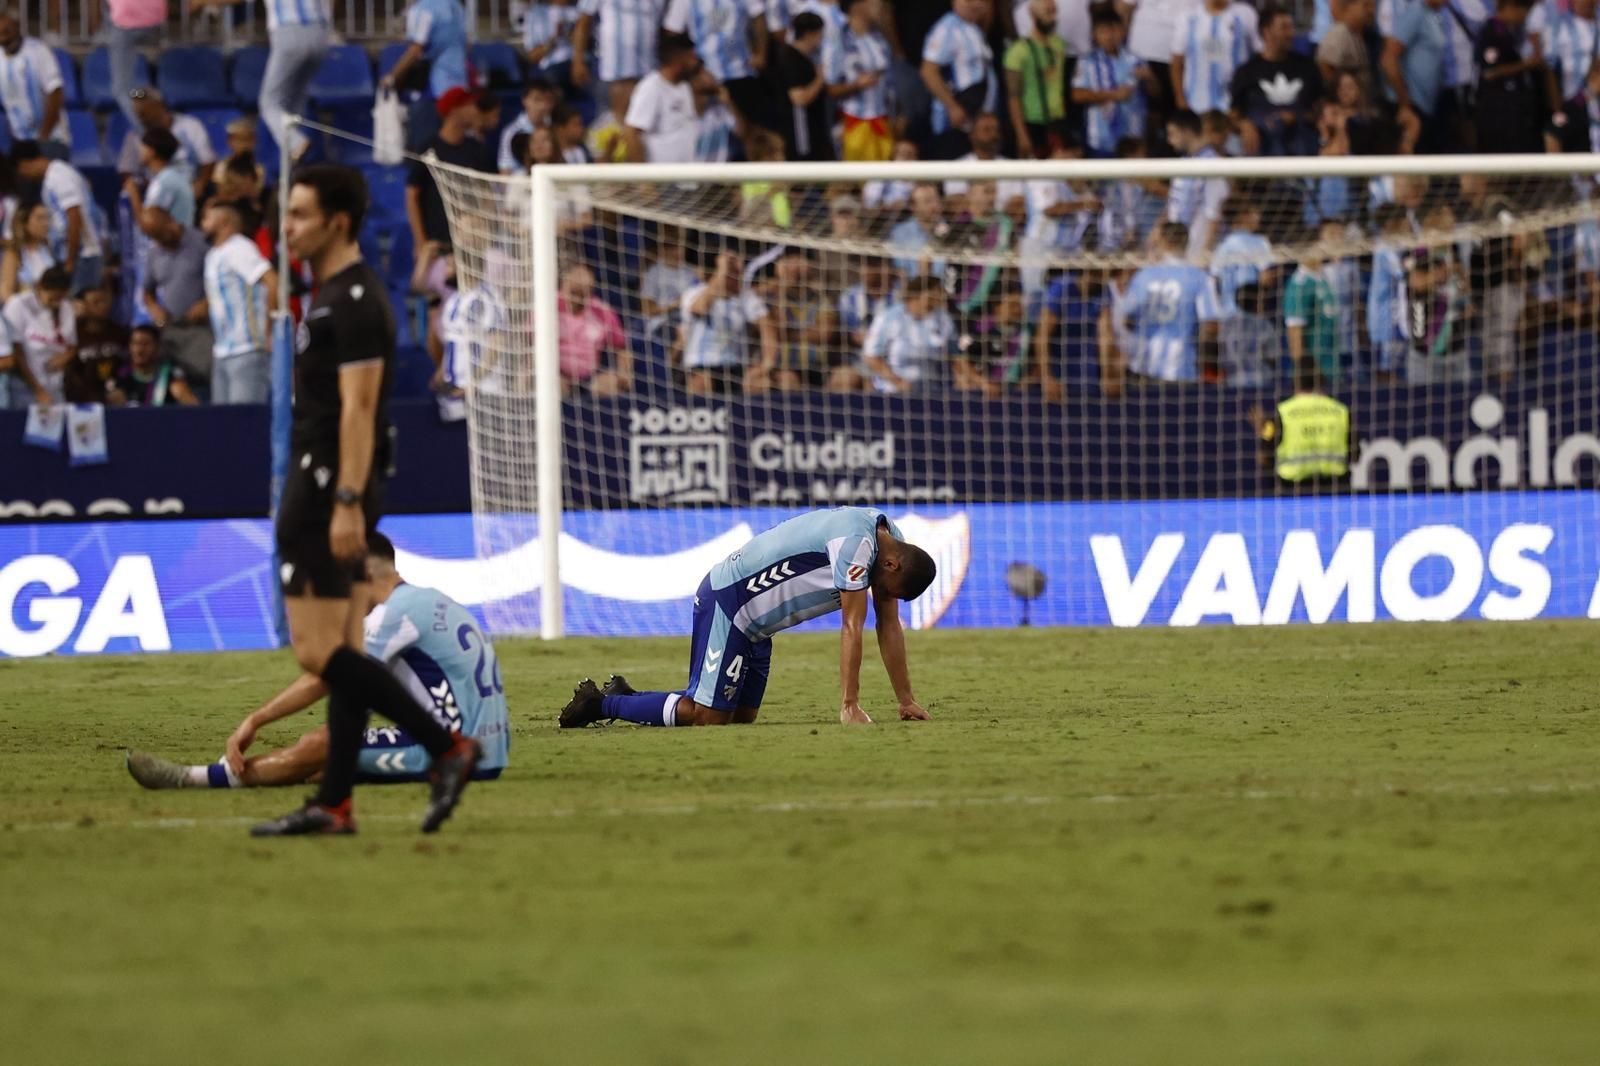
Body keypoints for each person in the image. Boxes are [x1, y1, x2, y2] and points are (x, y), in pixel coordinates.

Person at [253, 164, 482, 837]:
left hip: (327, 489)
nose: (287, 227)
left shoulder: (351, 301)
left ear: (338, 221)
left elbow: (357, 409)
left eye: (298, 214)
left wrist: (348, 500)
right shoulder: (334, 295)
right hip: (331, 483)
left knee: (320, 655)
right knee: (348, 649)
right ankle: (335, 803)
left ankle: (448, 748)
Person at [127, 533, 510, 790]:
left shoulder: (394, 615)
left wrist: (255, 719)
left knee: (322, 743)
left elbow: (326, 677)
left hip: (458, 750)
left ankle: (197, 778)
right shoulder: (432, 600)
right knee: (326, 767)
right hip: (490, 746)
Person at [559, 507, 937, 728]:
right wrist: (849, 704)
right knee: (707, 717)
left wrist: (906, 700)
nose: (883, 597)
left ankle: (626, 694)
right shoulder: (858, 544)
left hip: (758, 627)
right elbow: (852, 626)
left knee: (741, 717)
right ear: (891, 564)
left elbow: (888, 625)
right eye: (887, 589)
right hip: (730, 602)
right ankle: (602, 703)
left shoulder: (891, 541)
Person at [1119, 220, 1222, 382]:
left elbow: (1126, 319)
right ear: (1187, 243)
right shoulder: (1200, 278)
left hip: (1142, 367)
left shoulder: (1143, 276)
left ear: (1162, 241)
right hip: (1180, 368)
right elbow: (1211, 326)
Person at [202, 197, 277, 405]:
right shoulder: (213, 255)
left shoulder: (240, 248)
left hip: (247, 349)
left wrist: (269, 330)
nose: (202, 224)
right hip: (222, 352)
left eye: (207, 218)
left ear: (224, 221)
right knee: (224, 428)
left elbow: (272, 281)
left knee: (244, 426)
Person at [1230, 4, 1323, 156]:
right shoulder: (1246, 72)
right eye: (1284, 28)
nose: (1291, 33)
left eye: (1291, 27)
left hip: (1302, 143)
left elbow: (1320, 110)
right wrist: (1244, 125)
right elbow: (1234, 114)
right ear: (1266, 32)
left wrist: (1295, 117)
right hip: (1262, 145)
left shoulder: (1307, 68)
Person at [663, 0, 770, 131]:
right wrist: (687, 67)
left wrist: (761, 53)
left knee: (751, 132)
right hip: (704, 77)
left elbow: (758, 15)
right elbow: (673, 31)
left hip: (741, 71)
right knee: (710, 131)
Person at [12, 141, 103, 295]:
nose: (26, 177)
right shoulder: (52, 178)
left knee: (78, 311)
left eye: (22, 172)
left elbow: (74, 216)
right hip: (76, 256)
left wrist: (70, 261)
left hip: (82, 256)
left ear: (25, 164)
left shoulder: (59, 176)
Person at [384, 0, 472, 150]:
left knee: (426, 149)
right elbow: (467, 43)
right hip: (459, 83)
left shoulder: (424, 9)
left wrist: (392, 76)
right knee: (453, 145)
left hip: (434, 87)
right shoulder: (456, 6)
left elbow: (416, 49)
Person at [141, 208, 212, 385]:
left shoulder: (201, 243)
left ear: (171, 221)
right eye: (154, 237)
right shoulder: (154, 254)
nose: (160, 241)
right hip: (170, 329)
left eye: (161, 234)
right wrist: (154, 309)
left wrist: (207, 303)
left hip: (199, 329)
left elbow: (222, 281)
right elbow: (147, 292)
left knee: (201, 378)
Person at [1251, 363, 1351, 488]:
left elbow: (1264, 457)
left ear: (1296, 381)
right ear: (1321, 381)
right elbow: (1355, 454)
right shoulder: (1341, 411)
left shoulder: (1283, 412)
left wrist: (1263, 432)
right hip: (1335, 491)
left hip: (1292, 493)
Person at [573, 0, 668, 130]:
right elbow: (583, 22)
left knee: (646, 123)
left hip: (649, 66)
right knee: (612, 123)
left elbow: (667, 26)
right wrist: (578, 60)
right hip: (613, 68)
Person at [1073, 7, 1154, 158]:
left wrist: (1150, 79)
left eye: (1113, 30)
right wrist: (1114, 95)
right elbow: (1077, 94)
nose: (1109, 36)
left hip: (1133, 139)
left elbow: (1155, 94)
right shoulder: (1086, 62)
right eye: (1104, 31)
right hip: (1100, 139)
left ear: (1123, 31)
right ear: (1094, 35)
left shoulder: (1136, 60)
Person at [679, 249, 764, 395]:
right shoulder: (695, 292)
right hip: (700, 365)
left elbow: (767, 328)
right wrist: (722, 270)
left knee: (760, 383)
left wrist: (764, 366)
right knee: (702, 382)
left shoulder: (746, 298)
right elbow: (700, 308)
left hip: (735, 366)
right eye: (731, 272)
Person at [921, 0, 996, 159]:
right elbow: (928, 71)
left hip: (976, 120)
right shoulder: (946, 28)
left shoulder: (974, 28)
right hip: (955, 123)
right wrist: (952, 106)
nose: (974, 4)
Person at [862, 274, 956, 394]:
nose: (937, 299)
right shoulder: (888, 317)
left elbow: (956, 356)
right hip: (892, 390)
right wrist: (898, 382)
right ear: (916, 294)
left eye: (939, 295)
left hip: (932, 389)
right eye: (932, 295)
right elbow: (871, 357)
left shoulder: (943, 319)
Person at [118, 88, 216, 201]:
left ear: (159, 106)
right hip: (155, 194)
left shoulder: (190, 125)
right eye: (138, 113)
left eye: (144, 112)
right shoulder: (135, 135)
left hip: (191, 188)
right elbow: (127, 170)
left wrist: (200, 184)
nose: (141, 117)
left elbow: (208, 160)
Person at [1381, 0, 1450, 153]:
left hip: (1427, 107)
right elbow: (1388, 58)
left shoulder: (1433, 16)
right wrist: (1405, 105)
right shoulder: (1415, 12)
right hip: (1410, 107)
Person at [1006, 0, 1071, 159]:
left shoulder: (1059, 45)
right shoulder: (1018, 51)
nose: (1052, 17)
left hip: (1057, 120)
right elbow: (1013, 96)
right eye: (1047, 12)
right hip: (1032, 121)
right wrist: (1021, 134)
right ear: (1033, 14)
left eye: (1053, 12)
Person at [623, 34, 703, 164]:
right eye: (691, 57)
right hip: (661, 179)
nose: (695, 62)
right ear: (679, 58)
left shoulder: (685, 86)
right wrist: (643, 178)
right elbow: (631, 132)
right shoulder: (651, 87)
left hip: (687, 178)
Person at [1169, 0, 1260, 114]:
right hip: (1196, 103)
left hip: (1236, 105)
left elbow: (1260, 54)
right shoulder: (1187, 16)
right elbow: (1177, 62)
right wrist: (1181, 99)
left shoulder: (1245, 14)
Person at [1476, 0, 1543, 154]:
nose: (1524, 16)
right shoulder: (1492, 31)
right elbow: (1489, 72)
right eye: (1522, 10)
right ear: (1509, 7)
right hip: (1496, 111)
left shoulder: (1514, 32)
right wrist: (1526, 64)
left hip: (1514, 110)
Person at [2, 264, 74, 406]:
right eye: (52, 297)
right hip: (25, 387)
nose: (56, 302)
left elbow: (72, 345)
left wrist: (66, 356)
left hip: (55, 387)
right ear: (40, 287)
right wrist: (38, 389)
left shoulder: (66, 307)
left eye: (60, 297)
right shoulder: (18, 305)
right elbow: (16, 353)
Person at [0, 10, 69, 157]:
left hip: (52, 139)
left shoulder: (38, 51)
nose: (4, 38)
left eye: (7, 31)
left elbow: (56, 94)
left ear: (17, 27)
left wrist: (43, 137)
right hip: (20, 142)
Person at [557, 264, 632, 395]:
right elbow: (529, 343)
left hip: (591, 376)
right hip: (556, 374)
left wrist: (624, 372)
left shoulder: (602, 312)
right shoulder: (548, 305)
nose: (576, 298)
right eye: (573, 292)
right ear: (564, 286)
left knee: (609, 385)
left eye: (582, 294)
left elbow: (622, 348)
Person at [1283, 228, 1344, 385]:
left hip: (1333, 367)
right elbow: (1294, 332)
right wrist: (1303, 379)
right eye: (1321, 243)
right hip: (1315, 376)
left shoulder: (1322, 277)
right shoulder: (1299, 285)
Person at [772, 12, 835, 161]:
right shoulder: (790, 58)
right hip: (801, 133)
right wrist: (820, 79)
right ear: (809, 34)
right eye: (819, 34)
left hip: (814, 128)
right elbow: (799, 98)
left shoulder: (806, 58)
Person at [836, 0, 894, 161]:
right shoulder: (838, 39)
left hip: (883, 119)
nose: (880, 4)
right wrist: (856, 85)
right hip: (853, 120)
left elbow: (889, 79)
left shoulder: (879, 37)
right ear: (858, 6)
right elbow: (829, 87)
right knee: (848, 182)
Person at [106, 0, 165, 132]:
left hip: (125, 22)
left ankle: (149, 136)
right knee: (140, 91)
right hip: (156, 20)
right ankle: (146, 97)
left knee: (121, 90)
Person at [123, 127, 195, 233]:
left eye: (142, 147)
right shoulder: (172, 177)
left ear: (151, 151)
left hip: (175, 246)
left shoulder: (164, 182)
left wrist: (134, 194)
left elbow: (148, 225)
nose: (139, 151)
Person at [64, 285, 128, 402]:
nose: (102, 306)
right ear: (85, 305)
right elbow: (70, 372)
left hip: (115, 397)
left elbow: (127, 366)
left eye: (104, 301)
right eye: (96, 302)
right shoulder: (74, 333)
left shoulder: (119, 332)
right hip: (83, 401)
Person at [108, 323, 198, 406]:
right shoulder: (121, 374)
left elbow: (193, 406)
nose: (139, 350)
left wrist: (182, 395)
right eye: (135, 343)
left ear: (157, 347)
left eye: (145, 344)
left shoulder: (169, 374)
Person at [0, 199, 57, 301]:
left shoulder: (47, 249)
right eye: (40, 218)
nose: (45, 223)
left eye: (47, 218)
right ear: (24, 222)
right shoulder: (14, 253)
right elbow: (5, 293)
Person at [498, 79, 557, 172]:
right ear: (525, 100)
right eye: (537, 99)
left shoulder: (556, 127)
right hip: (522, 182)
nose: (542, 105)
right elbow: (505, 169)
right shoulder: (511, 131)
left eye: (547, 100)